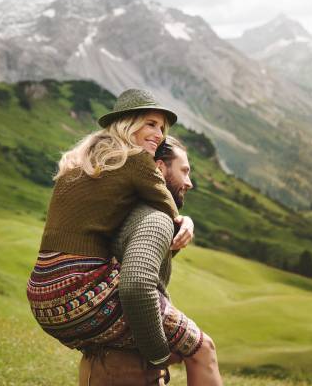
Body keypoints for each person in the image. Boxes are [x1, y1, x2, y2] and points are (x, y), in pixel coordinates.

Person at [27, 89, 197, 369]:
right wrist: (187, 222)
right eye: (151, 124)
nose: (159, 134)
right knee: (195, 346)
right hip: (78, 291)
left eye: (162, 128)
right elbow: (170, 212)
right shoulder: (136, 160)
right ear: (128, 123)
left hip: (41, 291)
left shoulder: (81, 160)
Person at [78, 137, 222, 385]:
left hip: (102, 362)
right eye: (184, 171)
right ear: (159, 168)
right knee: (203, 349)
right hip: (123, 368)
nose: (189, 182)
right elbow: (137, 285)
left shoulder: (127, 207)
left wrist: (181, 222)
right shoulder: (154, 217)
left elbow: (143, 259)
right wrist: (158, 355)